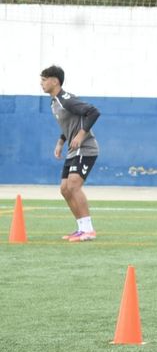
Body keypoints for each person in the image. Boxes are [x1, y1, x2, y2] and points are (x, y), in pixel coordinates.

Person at [39, 66, 100, 242]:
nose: (41, 83)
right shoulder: (54, 103)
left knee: (73, 186)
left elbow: (93, 112)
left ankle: (89, 230)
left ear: (55, 81)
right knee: (65, 189)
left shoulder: (66, 100)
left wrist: (81, 135)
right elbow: (70, 124)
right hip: (73, 150)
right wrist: (61, 142)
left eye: (44, 79)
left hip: (86, 148)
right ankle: (81, 228)